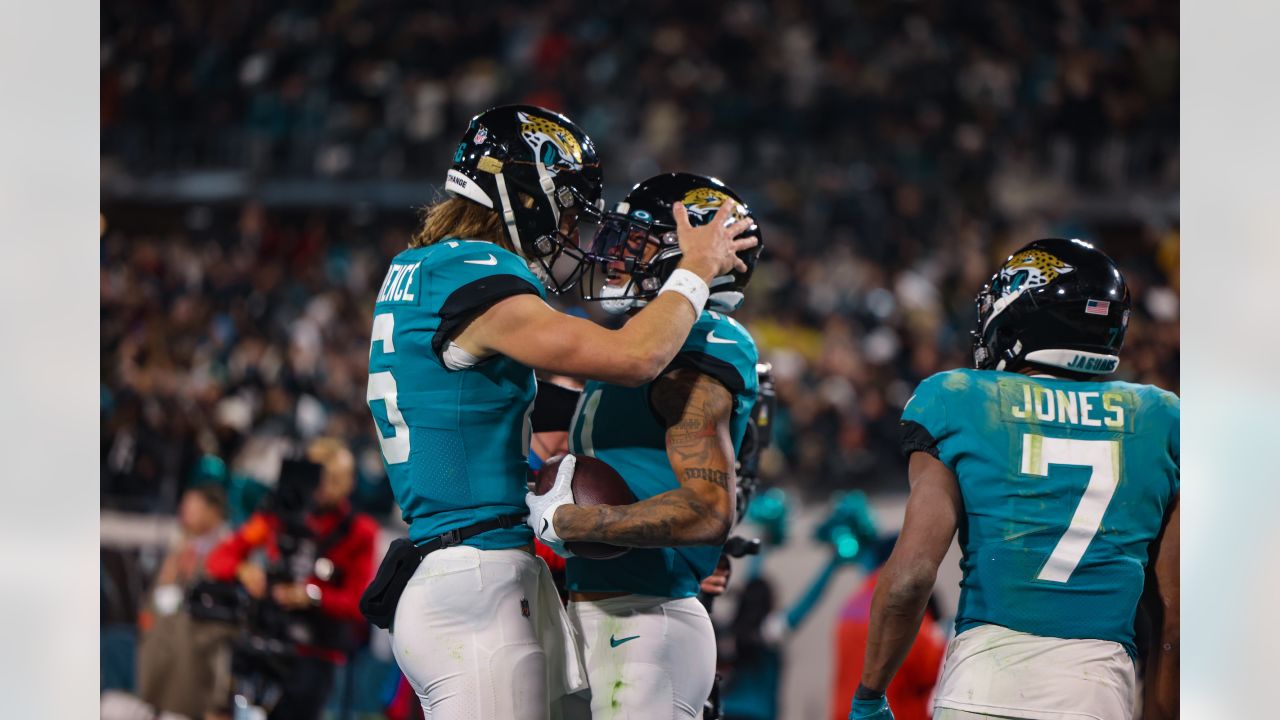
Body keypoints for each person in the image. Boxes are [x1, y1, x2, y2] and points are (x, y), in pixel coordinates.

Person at [366, 107, 756, 720]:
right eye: (568, 207)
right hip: (476, 579)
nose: (572, 230)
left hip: (467, 571)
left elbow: (488, 416)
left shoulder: (418, 271)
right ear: (526, 191)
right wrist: (696, 268)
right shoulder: (474, 271)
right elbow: (637, 357)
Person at [848, 238, 1179, 720]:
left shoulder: (957, 397)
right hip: (1096, 694)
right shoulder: (1163, 418)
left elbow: (912, 577)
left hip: (981, 687)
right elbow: (1174, 619)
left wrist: (870, 695)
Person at [523, 173, 762, 719]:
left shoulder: (703, 342)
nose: (614, 255)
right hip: (604, 616)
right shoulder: (639, 347)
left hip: (646, 620)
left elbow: (707, 510)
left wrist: (571, 523)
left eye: (637, 241)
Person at [206, 438, 378, 720]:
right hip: (264, 643)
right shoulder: (277, 517)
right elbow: (221, 557)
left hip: (315, 654)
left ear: (349, 483)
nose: (325, 486)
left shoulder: (360, 532)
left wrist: (311, 596)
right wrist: (244, 571)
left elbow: (358, 601)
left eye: (335, 479)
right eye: (319, 475)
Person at [135, 483, 236, 720]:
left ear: (213, 512)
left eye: (192, 506)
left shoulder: (226, 553)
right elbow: (164, 604)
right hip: (163, 656)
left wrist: (199, 640)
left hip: (198, 664)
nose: (184, 511)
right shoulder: (180, 546)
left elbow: (229, 616)